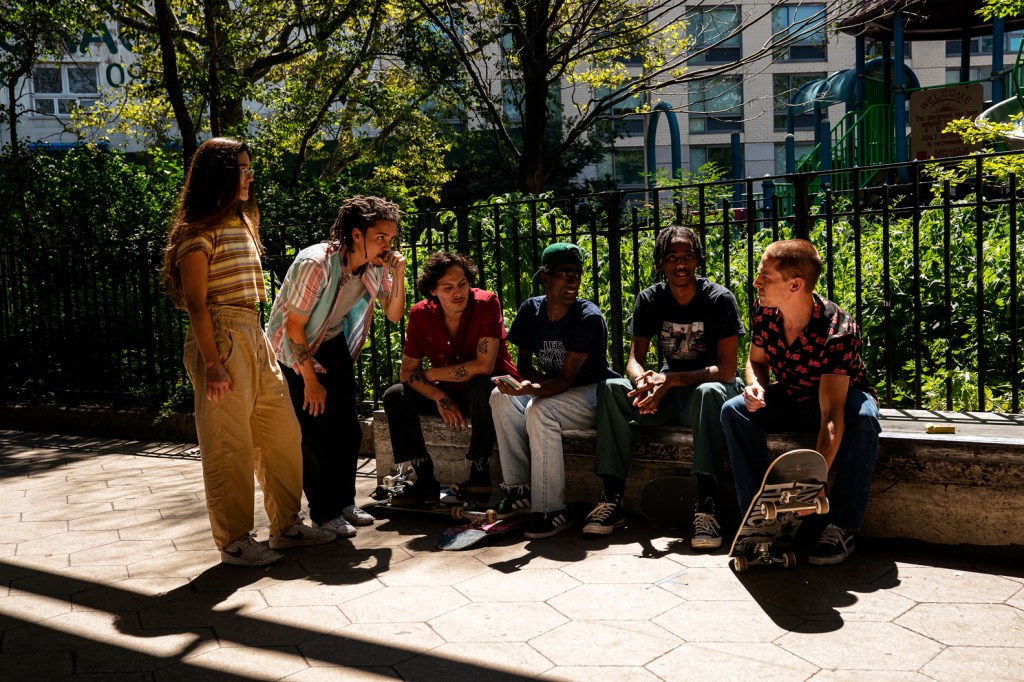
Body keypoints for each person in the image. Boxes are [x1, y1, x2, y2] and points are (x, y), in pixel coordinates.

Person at [162, 137, 334, 567]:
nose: (249, 175)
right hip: (220, 334)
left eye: (248, 167)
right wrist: (214, 365)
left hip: (252, 331)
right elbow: (198, 303)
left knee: (281, 434)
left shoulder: (241, 220)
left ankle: (287, 527)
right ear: (218, 176)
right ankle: (235, 540)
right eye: (241, 168)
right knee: (229, 444)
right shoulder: (196, 232)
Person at [721, 238, 881, 566]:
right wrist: (757, 387)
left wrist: (812, 483)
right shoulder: (764, 310)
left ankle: (843, 525)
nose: (756, 282)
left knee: (864, 418)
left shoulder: (838, 330)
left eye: (765, 276)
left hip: (838, 399)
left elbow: (832, 415)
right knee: (733, 410)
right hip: (793, 394)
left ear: (795, 284)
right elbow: (757, 362)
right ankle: (759, 520)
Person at [585, 226, 744, 548]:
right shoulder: (650, 299)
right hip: (668, 392)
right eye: (672, 257)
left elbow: (727, 371)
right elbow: (633, 359)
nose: (680, 264)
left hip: (708, 392)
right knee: (610, 389)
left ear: (698, 259)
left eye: (687, 256)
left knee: (708, 393)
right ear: (660, 262)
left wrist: (671, 380)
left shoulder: (719, 299)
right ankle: (611, 498)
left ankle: (707, 506)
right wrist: (642, 381)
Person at [267, 195, 406, 538]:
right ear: (357, 235)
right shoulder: (316, 263)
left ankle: (344, 503)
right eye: (381, 237)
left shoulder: (375, 265)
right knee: (314, 433)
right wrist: (310, 380)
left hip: (330, 341)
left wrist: (398, 274)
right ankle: (324, 512)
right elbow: (294, 327)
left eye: (391, 238)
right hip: (292, 347)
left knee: (348, 428)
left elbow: (393, 313)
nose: (388, 245)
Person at [490, 243, 619, 539]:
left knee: (540, 409)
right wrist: (522, 386)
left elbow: (564, 379)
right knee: (499, 398)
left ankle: (552, 509)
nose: (572, 281)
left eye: (577, 274)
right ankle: (519, 490)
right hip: (554, 389)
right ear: (546, 278)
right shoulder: (531, 310)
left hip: (590, 394)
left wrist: (533, 389)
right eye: (564, 274)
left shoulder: (588, 317)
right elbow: (523, 364)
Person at [381, 251, 520, 505]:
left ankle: (479, 475)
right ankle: (424, 480)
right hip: (450, 392)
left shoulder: (487, 303)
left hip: (494, 393)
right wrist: (438, 395)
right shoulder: (420, 314)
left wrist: (432, 375)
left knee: (483, 385)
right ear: (433, 291)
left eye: (462, 284)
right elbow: (407, 372)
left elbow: (483, 366)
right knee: (395, 396)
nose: (458, 293)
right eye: (448, 287)